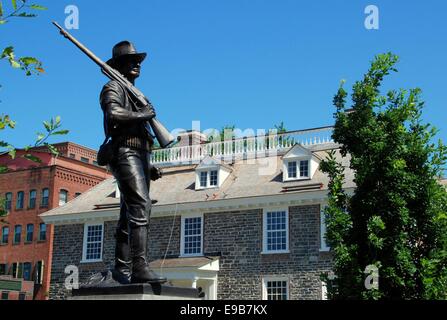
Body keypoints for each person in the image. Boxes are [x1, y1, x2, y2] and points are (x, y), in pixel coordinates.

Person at [100, 41, 166, 284]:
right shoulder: (113, 87)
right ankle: (139, 267)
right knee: (140, 206)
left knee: (129, 213)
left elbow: (142, 133)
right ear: (118, 65)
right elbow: (114, 115)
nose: (137, 63)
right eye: (131, 60)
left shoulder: (134, 94)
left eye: (138, 60)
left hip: (138, 154)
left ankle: (122, 268)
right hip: (123, 152)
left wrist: (147, 166)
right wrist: (143, 114)